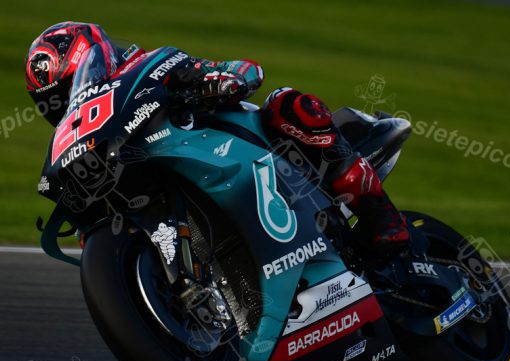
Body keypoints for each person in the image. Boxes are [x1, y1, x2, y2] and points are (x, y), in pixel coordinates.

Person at [25, 22, 409, 257]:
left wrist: (223, 79)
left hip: (257, 153)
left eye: (68, 88)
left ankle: (381, 216)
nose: (70, 103)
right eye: (54, 102)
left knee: (286, 103)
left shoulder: (148, 68)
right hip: (195, 196)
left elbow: (245, 70)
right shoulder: (98, 149)